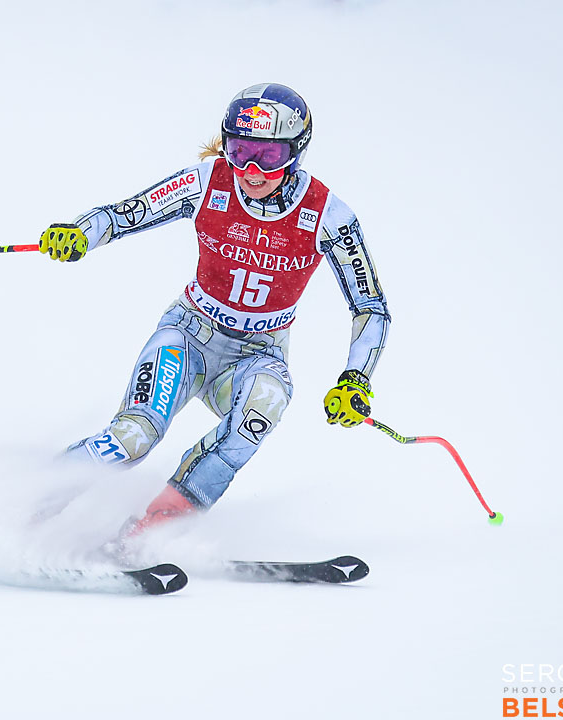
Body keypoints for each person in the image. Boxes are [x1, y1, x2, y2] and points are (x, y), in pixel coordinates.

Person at [38, 83, 391, 540]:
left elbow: (371, 307)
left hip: (258, 353)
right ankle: (30, 502)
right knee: (134, 438)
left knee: (261, 409)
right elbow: (125, 214)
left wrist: (355, 378)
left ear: (296, 152)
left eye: (267, 156)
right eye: (239, 150)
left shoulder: (328, 214)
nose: (250, 170)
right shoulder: (208, 182)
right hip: (188, 336)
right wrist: (82, 233)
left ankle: (151, 530)